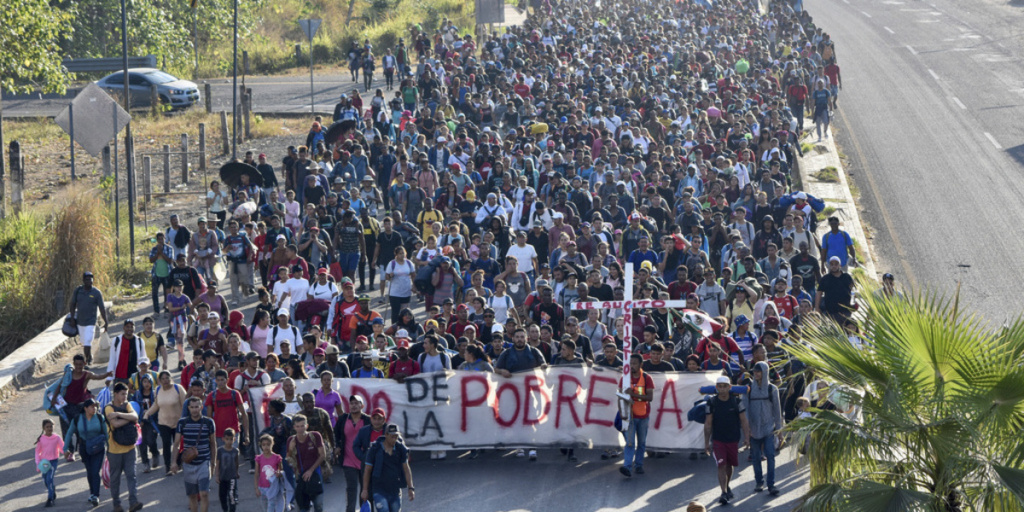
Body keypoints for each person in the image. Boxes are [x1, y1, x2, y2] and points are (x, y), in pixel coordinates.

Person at [493, 327, 547, 461]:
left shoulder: (534, 351)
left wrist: (544, 367)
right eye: (517, 337)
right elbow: (496, 369)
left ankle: (533, 447)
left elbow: (544, 364)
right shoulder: (506, 353)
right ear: (513, 339)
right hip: (512, 393)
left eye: (522, 337)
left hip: (531, 392)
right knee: (517, 419)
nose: (519, 339)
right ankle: (520, 446)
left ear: (526, 338)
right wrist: (502, 372)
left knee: (531, 419)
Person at [704, 375, 751, 505]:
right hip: (718, 439)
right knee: (721, 465)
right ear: (716, 387)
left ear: (729, 387)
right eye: (720, 386)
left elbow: (744, 420)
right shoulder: (711, 402)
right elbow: (708, 424)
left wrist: (747, 438)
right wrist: (706, 442)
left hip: (733, 439)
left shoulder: (736, 402)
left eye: (725, 386)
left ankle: (727, 485)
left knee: (729, 465)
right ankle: (723, 492)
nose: (723, 389)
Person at [744, 361, 784, 496]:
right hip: (754, 429)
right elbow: (746, 410)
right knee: (755, 458)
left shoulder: (772, 389)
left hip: (768, 428)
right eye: (754, 371)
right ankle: (759, 482)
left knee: (770, 455)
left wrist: (780, 431)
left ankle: (771, 484)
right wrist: (747, 429)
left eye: (759, 371)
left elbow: (777, 411)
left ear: (765, 372)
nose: (756, 373)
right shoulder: (748, 389)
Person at [173, 396, 218, 512]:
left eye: (197, 407)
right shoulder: (182, 422)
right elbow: (177, 444)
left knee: (204, 494)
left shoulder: (209, 422)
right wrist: (173, 462)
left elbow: (213, 444)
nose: (194, 409)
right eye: (192, 407)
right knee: (192, 496)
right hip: (188, 464)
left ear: (201, 407)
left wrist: (213, 463)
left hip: (204, 462)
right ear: (188, 408)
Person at [105, 381, 144, 512]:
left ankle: (133, 502)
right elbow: (115, 425)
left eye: (126, 394)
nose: (124, 397)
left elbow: (136, 416)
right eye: (122, 394)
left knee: (131, 475)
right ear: (115, 394)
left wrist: (119, 414)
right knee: (115, 478)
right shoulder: (108, 408)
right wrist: (129, 419)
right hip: (114, 450)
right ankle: (117, 504)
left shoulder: (127, 405)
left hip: (130, 448)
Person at [361, 423, 415, 512]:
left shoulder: (400, 449)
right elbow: (367, 470)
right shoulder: (375, 449)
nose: (394, 439)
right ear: (386, 435)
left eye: (396, 436)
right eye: (392, 436)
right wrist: (365, 490)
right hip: (379, 490)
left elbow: (406, 469)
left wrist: (411, 488)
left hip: (395, 490)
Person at [142, 371, 187, 475]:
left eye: (167, 378)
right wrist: (147, 414)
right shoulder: (158, 390)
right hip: (163, 422)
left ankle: (177, 462)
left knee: (178, 444)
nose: (165, 380)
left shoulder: (178, 388)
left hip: (178, 422)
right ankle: (168, 467)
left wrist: (185, 420)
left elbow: (185, 405)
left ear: (171, 378)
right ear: (160, 380)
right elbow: (156, 405)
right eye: (163, 379)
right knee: (166, 445)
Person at [63, 398, 106, 506]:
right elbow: (69, 433)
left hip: (98, 448)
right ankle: (92, 493)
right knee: (89, 471)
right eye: (92, 406)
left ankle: (96, 495)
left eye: (95, 406)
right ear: (85, 408)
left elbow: (106, 434)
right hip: (84, 448)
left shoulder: (100, 418)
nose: (94, 408)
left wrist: (110, 449)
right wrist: (65, 449)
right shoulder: (78, 419)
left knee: (95, 471)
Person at [619, 354, 654, 478]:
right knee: (630, 442)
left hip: (643, 416)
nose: (632, 366)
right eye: (630, 363)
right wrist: (622, 413)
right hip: (630, 416)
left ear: (641, 365)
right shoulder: (624, 378)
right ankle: (627, 467)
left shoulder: (647, 378)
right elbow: (620, 397)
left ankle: (638, 465)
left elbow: (650, 397)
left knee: (642, 442)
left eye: (634, 363)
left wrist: (633, 395)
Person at [335, 395, 370, 512]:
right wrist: (338, 447)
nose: (354, 405)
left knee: (364, 488)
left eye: (356, 403)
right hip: (348, 459)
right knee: (351, 488)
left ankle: (364, 509)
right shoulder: (343, 419)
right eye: (351, 403)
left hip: (364, 460)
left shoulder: (368, 420)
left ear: (362, 406)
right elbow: (337, 435)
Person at [288, 414, 327, 512]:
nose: (300, 428)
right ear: (294, 427)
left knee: (318, 505)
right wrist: (291, 449)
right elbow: (288, 459)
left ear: (307, 426)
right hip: (300, 476)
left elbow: (322, 455)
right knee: (303, 508)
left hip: (315, 474)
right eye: (297, 426)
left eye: (302, 426)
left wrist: (311, 470)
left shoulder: (315, 436)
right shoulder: (291, 440)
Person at [68, 271, 108, 365]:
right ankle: (89, 356)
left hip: (91, 322)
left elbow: (102, 308)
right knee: (84, 342)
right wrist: (72, 318)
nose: (89, 281)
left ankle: (87, 360)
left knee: (87, 341)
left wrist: (106, 321)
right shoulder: (78, 291)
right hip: (80, 322)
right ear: (83, 280)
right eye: (87, 279)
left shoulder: (97, 293)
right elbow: (72, 304)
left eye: (91, 279)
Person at [35, 418, 64, 507]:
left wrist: (66, 453)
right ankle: (52, 489)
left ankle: (50, 499)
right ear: (43, 428)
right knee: (45, 479)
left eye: (51, 426)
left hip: (53, 461)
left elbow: (62, 448)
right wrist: (38, 463)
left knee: (49, 478)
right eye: (47, 427)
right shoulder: (41, 439)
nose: (49, 428)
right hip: (44, 462)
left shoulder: (57, 438)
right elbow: (37, 452)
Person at [816, 256, 855, 321]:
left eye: (836, 264)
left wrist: (853, 303)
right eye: (832, 264)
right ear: (829, 266)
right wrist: (817, 307)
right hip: (831, 313)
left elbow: (853, 291)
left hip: (846, 312)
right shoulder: (825, 279)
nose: (834, 266)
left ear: (840, 265)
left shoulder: (847, 277)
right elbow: (819, 293)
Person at [255, 434, 286, 512]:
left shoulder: (277, 458)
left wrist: (279, 473)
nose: (266, 447)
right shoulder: (259, 458)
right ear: (261, 446)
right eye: (263, 445)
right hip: (262, 487)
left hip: (273, 487)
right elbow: (256, 474)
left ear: (272, 444)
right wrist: (256, 488)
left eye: (268, 444)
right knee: (265, 506)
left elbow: (280, 470)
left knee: (271, 506)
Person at [215, 428, 241, 512]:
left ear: (234, 439)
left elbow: (236, 462)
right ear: (223, 439)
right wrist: (217, 475)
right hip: (223, 477)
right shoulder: (220, 451)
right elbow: (217, 463)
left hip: (232, 477)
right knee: (222, 496)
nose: (229, 441)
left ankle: (232, 509)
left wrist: (237, 472)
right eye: (227, 439)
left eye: (231, 439)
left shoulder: (235, 451)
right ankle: (225, 509)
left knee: (232, 495)